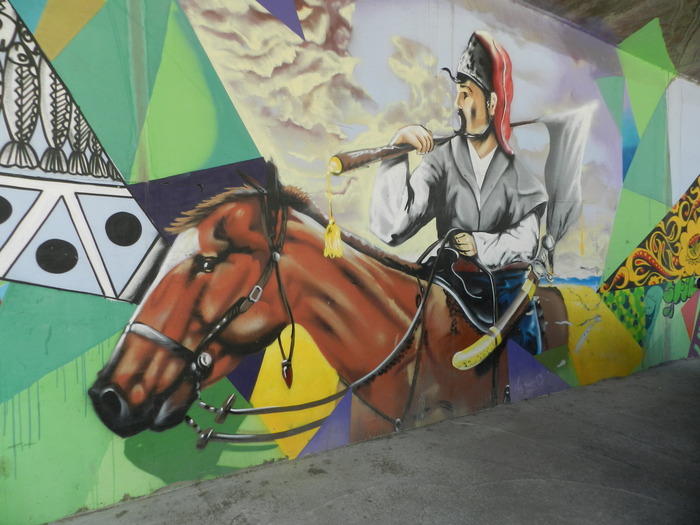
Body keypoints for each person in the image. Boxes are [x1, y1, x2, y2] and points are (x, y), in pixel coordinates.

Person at [369, 30, 547, 355]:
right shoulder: (441, 160)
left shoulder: (517, 173)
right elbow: (393, 227)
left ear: (492, 103)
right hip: (449, 282)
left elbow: (527, 240)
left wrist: (479, 244)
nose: (457, 104)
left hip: (503, 291)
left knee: (524, 342)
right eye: (458, 93)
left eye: (466, 94)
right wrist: (397, 149)